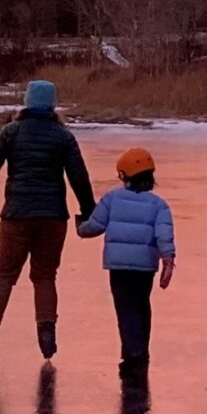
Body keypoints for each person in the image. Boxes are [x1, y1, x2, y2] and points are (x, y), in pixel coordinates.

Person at [0, 79, 95, 362]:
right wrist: (88, 211)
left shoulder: (11, 132)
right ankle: (47, 337)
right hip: (52, 217)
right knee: (45, 276)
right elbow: (79, 178)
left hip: (17, 216)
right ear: (52, 105)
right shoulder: (63, 136)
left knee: (4, 275)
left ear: (26, 102)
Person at [76, 145, 175, 378]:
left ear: (124, 175)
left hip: (119, 267)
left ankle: (132, 354)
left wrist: (81, 227)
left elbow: (95, 226)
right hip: (145, 268)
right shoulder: (159, 205)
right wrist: (168, 260)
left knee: (125, 309)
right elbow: (164, 235)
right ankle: (142, 349)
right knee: (141, 306)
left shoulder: (112, 199)